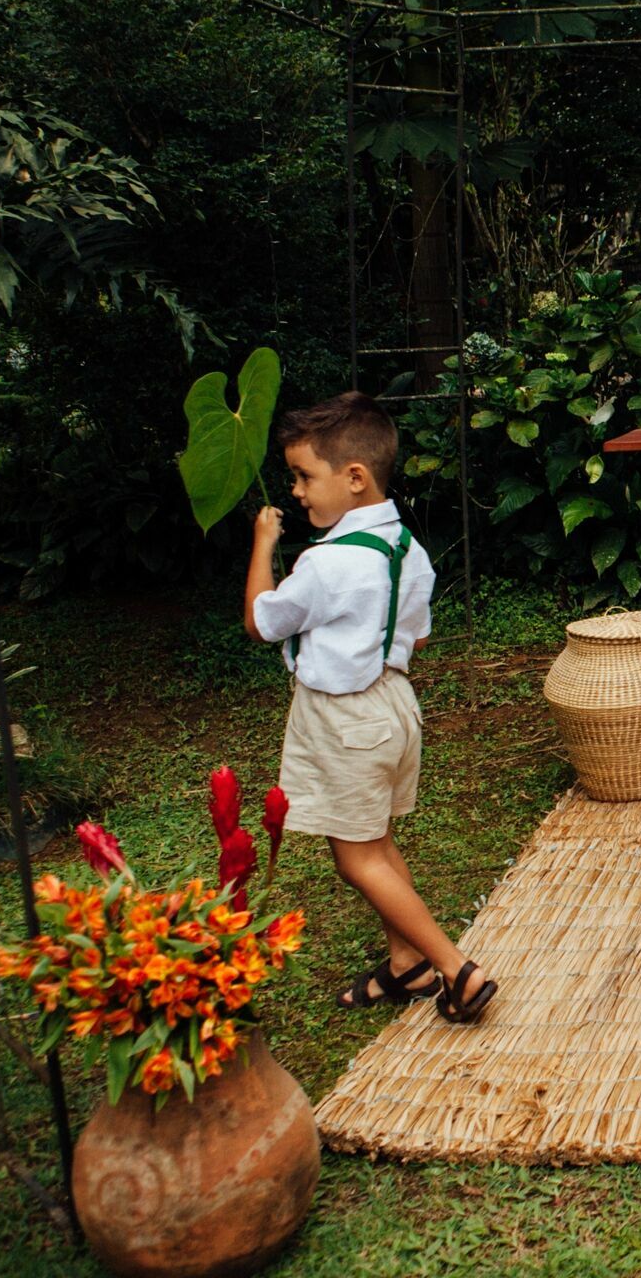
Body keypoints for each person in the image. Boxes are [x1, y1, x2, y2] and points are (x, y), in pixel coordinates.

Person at [243, 391, 498, 1024]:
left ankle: (455, 969)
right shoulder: (408, 549)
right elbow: (419, 634)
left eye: (304, 475)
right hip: (393, 708)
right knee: (377, 843)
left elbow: (260, 622)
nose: (297, 491)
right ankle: (406, 963)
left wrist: (262, 542)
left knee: (355, 858)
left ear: (354, 478)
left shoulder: (324, 562)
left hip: (343, 717)